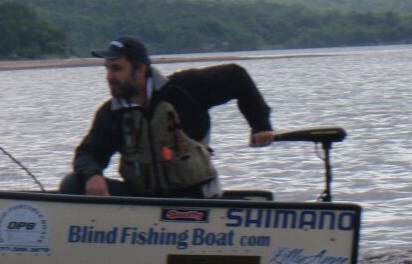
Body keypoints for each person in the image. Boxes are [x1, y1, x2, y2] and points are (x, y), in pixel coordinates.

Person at [59, 36, 276, 198]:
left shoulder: (184, 89)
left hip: (195, 199)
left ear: (140, 69)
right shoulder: (112, 113)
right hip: (144, 202)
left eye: (117, 69)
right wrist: (93, 175)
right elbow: (88, 152)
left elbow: (236, 76)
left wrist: (260, 126)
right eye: (107, 69)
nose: (109, 77)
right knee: (73, 185)